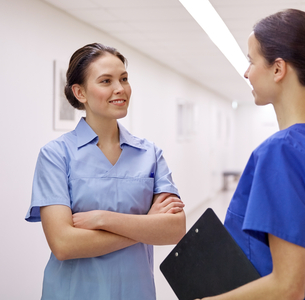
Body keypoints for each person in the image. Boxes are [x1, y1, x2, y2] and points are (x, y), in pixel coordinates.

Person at [199, 9, 305, 300]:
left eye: (251, 61)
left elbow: (287, 286)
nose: (246, 72)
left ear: (278, 69)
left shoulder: (283, 150)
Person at [25, 43, 186, 300]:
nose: (120, 88)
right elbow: (64, 245)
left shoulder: (150, 154)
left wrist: (103, 219)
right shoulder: (56, 155)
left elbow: (174, 230)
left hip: (136, 292)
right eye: (106, 81)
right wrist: (145, 226)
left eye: (124, 79)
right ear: (80, 92)